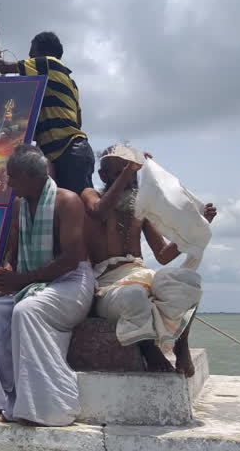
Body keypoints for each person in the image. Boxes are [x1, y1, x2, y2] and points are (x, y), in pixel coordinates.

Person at [0, 145, 95, 426]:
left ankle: (43, 408)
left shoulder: (68, 201)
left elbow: (71, 259)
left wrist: (21, 280)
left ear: (32, 176)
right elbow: (12, 255)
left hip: (71, 285)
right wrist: (4, 274)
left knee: (26, 310)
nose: (9, 183)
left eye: (12, 177)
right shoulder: (20, 206)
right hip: (33, 285)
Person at [81, 144, 217, 377]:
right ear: (102, 176)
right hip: (108, 287)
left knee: (188, 282)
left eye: (134, 175)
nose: (131, 181)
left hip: (143, 276)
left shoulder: (140, 210)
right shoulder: (90, 196)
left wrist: (200, 224)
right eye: (120, 173)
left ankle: (181, 343)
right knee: (134, 295)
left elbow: (163, 255)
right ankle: (147, 349)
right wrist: (127, 173)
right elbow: (98, 212)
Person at [0, 32, 94, 194]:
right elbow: (78, 121)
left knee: (72, 207)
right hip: (70, 153)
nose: (29, 56)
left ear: (42, 52)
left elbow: (4, 66)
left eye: (32, 53)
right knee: (62, 208)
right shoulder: (71, 84)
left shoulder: (48, 64)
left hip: (69, 152)